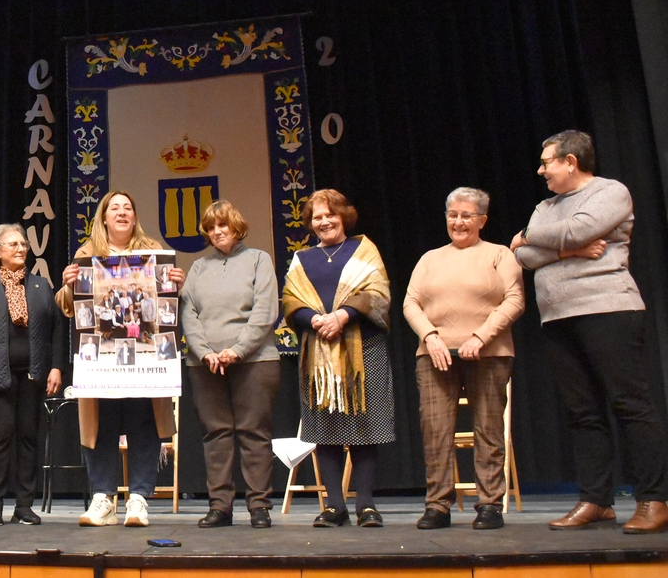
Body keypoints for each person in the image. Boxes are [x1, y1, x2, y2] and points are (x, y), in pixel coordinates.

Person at [511, 130, 668, 533]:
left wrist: (529, 236)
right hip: (557, 317)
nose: (541, 169)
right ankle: (596, 500)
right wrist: (565, 250)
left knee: (630, 404)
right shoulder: (545, 206)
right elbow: (525, 257)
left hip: (608, 308)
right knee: (583, 412)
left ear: (570, 161)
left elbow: (572, 231)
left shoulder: (609, 192)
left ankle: (654, 499)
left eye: (547, 161)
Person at [57, 190, 183, 527]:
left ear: (135, 216)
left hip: (144, 356)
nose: (122, 213)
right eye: (115, 208)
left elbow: (167, 302)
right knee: (102, 424)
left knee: (144, 422)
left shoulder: (154, 250)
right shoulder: (87, 253)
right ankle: (103, 498)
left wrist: (175, 284)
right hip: (101, 360)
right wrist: (69, 285)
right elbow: (68, 304)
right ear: (104, 217)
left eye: (128, 207)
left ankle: (139, 499)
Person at [404, 188, 524, 530]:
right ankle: (437, 505)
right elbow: (410, 303)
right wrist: (430, 337)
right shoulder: (429, 258)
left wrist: (480, 337)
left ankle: (489, 504)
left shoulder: (500, 255)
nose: (458, 221)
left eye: (466, 215)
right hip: (435, 354)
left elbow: (515, 300)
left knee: (488, 428)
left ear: (482, 220)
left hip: (488, 352)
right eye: (452, 215)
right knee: (435, 430)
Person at [282, 189, 395, 528]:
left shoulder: (364, 249)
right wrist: (314, 320)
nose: (324, 221)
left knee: (364, 425)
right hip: (317, 353)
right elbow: (289, 300)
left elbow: (379, 294)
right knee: (325, 428)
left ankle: (366, 505)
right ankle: (334, 506)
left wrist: (343, 316)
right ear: (310, 222)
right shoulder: (302, 258)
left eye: (330, 214)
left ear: (344, 215)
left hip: (364, 349)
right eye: (317, 216)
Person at [179, 200, 280, 529]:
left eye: (222, 225)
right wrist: (206, 352)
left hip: (254, 361)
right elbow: (188, 314)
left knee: (254, 433)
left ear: (237, 226)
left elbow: (265, 311)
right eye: (210, 227)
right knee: (216, 433)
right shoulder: (198, 268)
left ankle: (259, 505)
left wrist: (237, 350)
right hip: (204, 364)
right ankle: (220, 506)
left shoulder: (258, 260)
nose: (216, 231)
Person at [0, 224, 65, 526]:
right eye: (13, 245)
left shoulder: (41, 286)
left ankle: (24, 505)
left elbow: (57, 330)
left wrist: (56, 366)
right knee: (0, 438)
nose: (21, 249)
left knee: (29, 439)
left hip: (33, 374)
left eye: (23, 244)